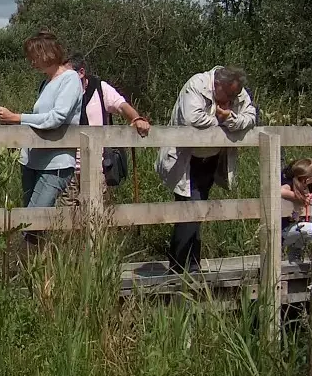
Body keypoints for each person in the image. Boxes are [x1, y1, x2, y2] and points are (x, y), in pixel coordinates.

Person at [157, 66, 256, 273]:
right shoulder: (197, 85)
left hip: (211, 159)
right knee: (190, 209)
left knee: (197, 210)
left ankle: (189, 264)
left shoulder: (236, 89)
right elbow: (192, 119)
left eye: (234, 95)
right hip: (186, 159)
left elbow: (251, 117)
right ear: (217, 85)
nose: (232, 99)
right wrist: (222, 120)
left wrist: (230, 118)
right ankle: (181, 266)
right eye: (228, 95)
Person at [0, 30, 83, 246]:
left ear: (47, 54)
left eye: (34, 56)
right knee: (31, 221)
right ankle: (35, 262)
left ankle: (30, 261)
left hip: (56, 162)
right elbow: (41, 118)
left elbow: (57, 117)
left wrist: (17, 117)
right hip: (33, 160)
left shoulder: (70, 79)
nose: (31, 62)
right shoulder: (47, 82)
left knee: (33, 221)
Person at [58, 53, 151, 205]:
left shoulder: (99, 88)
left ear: (81, 72)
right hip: (66, 166)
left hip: (96, 166)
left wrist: (136, 119)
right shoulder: (60, 93)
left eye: (67, 75)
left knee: (96, 213)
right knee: (66, 214)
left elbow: (121, 105)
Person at [281, 158, 312, 263]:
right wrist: (298, 197)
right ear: (308, 178)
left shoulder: (308, 187)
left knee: (295, 259)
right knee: (311, 230)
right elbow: (279, 190)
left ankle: (294, 261)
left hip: (298, 230)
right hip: (286, 231)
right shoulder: (290, 184)